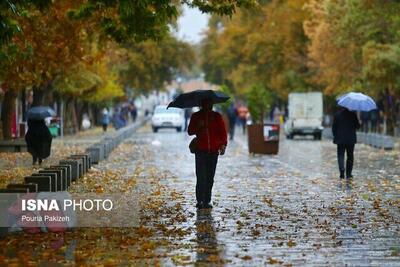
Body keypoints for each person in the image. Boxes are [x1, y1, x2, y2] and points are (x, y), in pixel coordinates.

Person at [188, 98, 227, 209]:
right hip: (200, 151)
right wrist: (198, 126)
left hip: (213, 152)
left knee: (210, 177)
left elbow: (223, 132)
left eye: (209, 103)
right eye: (205, 103)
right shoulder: (196, 116)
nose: (207, 105)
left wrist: (223, 144)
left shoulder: (216, 116)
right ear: (201, 104)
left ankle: (207, 200)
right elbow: (190, 131)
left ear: (212, 104)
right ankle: (200, 200)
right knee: (201, 177)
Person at [332, 107, 360, 179]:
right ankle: (348, 174)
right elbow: (357, 126)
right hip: (350, 139)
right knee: (350, 156)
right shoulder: (353, 115)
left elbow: (334, 127)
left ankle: (342, 170)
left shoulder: (337, 115)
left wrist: (335, 135)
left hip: (340, 139)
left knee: (340, 155)